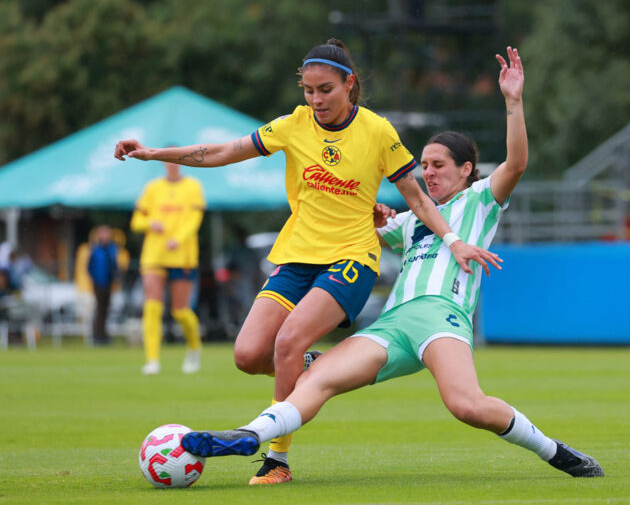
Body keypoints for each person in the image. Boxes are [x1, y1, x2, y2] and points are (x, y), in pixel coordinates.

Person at [180, 47, 605, 480]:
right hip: (393, 325)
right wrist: (374, 214)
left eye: (438, 165)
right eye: (423, 166)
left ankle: (555, 452)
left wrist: (513, 102)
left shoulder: (480, 201)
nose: (429, 173)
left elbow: (516, 163)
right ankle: (250, 437)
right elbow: (352, 224)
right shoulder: (409, 220)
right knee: (319, 379)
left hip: (441, 319)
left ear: (467, 170)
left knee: (466, 405)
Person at [114, 38, 498, 483]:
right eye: (309, 90)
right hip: (296, 257)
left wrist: (453, 240)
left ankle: (277, 460)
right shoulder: (293, 125)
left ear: (349, 84)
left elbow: (416, 197)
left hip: (352, 258)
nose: (316, 100)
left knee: (287, 342)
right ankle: (317, 364)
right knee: (248, 354)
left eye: (325, 90)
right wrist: (153, 153)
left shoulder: (378, 132)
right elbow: (223, 151)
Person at [130, 161, 205, 375]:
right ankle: (152, 359)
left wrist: (178, 239)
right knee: (152, 306)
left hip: (182, 256)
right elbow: (136, 221)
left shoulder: (193, 186)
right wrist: (150, 222)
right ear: (164, 163)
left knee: (180, 311)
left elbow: (195, 219)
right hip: (154, 255)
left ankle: (194, 348)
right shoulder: (153, 187)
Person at [87, 225, 119, 345]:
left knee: (106, 309)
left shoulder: (112, 248)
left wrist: (115, 276)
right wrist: (95, 279)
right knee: (99, 309)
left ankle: (104, 335)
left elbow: (114, 265)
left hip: (109, 283)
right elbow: (90, 267)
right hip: (99, 283)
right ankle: (97, 335)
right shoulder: (95, 249)